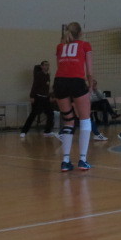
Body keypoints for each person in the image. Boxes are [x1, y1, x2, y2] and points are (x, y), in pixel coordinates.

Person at [53, 22, 93, 171]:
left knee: (68, 120)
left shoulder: (60, 46)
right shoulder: (85, 45)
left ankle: (65, 161)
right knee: (85, 120)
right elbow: (89, 71)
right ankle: (82, 160)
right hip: (76, 81)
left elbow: (59, 67)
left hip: (59, 82)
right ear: (80, 33)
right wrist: (90, 86)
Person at [20, 61, 54, 137]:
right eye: (45, 65)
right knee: (33, 114)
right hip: (38, 98)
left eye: (48, 65)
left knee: (50, 114)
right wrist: (32, 96)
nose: (47, 66)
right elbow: (34, 85)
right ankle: (24, 131)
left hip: (46, 98)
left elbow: (47, 88)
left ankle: (47, 131)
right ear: (41, 66)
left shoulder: (48, 75)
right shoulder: (39, 75)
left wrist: (49, 96)